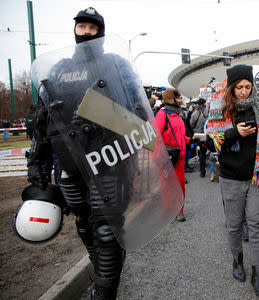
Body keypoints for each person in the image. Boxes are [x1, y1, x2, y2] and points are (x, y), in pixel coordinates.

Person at [26, 8, 146, 299]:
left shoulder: (115, 64)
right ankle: (102, 276)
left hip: (108, 158)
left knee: (107, 231)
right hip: (70, 161)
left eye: (92, 27)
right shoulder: (60, 68)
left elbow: (137, 110)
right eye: (82, 26)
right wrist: (36, 159)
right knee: (85, 226)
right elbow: (43, 118)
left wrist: (105, 116)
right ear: (75, 30)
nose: (86, 31)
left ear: (100, 32)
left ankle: (104, 293)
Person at [205, 64, 259, 297]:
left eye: (248, 86)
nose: (244, 92)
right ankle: (237, 261)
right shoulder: (220, 108)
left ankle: (258, 272)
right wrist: (234, 132)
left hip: (258, 176)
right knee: (234, 224)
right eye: (239, 87)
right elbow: (209, 142)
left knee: (256, 224)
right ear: (231, 87)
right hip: (231, 176)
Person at [154, 88, 191, 222]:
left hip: (179, 156)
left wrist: (189, 140)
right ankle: (169, 211)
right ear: (172, 99)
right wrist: (159, 156)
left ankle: (179, 210)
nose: (181, 100)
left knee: (180, 184)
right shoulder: (163, 114)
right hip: (167, 157)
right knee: (167, 185)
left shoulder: (177, 114)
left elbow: (178, 135)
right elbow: (156, 136)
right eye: (179, 97)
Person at [190, 97, 209, 177]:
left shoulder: (194, 113)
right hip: (207, 133)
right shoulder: (208, 111)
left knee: (202, 152)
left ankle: (202, 171)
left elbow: (191, 125)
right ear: (204, 103)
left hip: (199, 135)